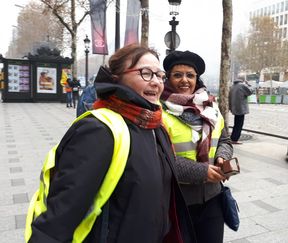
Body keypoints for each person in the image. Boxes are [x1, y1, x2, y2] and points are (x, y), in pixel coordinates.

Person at [26, 44, 196, 243]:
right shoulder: (99, 130)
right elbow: (60, 216)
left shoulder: (156, 126)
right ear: (117, 77)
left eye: (160, 75)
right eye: (146, 73)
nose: (156, 82)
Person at [161, 50, 234, 243]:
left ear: (197, 79)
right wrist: (201, 172)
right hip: (176, 202)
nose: (184, 80)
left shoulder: (211, 106)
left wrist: (222, 157)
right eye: (177, 75)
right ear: (168, 78)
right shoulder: (158, 111)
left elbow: (224, 140)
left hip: (212, 198)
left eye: (190, 75)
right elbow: (159, 158)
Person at [229, 77, 253, 144]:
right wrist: (248, 84)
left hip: (234, 107)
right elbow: (250, 92)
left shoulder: (232, 86)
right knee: (239, 124)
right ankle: (234, 139)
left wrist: (230, 107)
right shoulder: (242, 85)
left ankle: (233, 138)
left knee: (236, 124)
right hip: (241, 108)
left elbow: (229, 97)